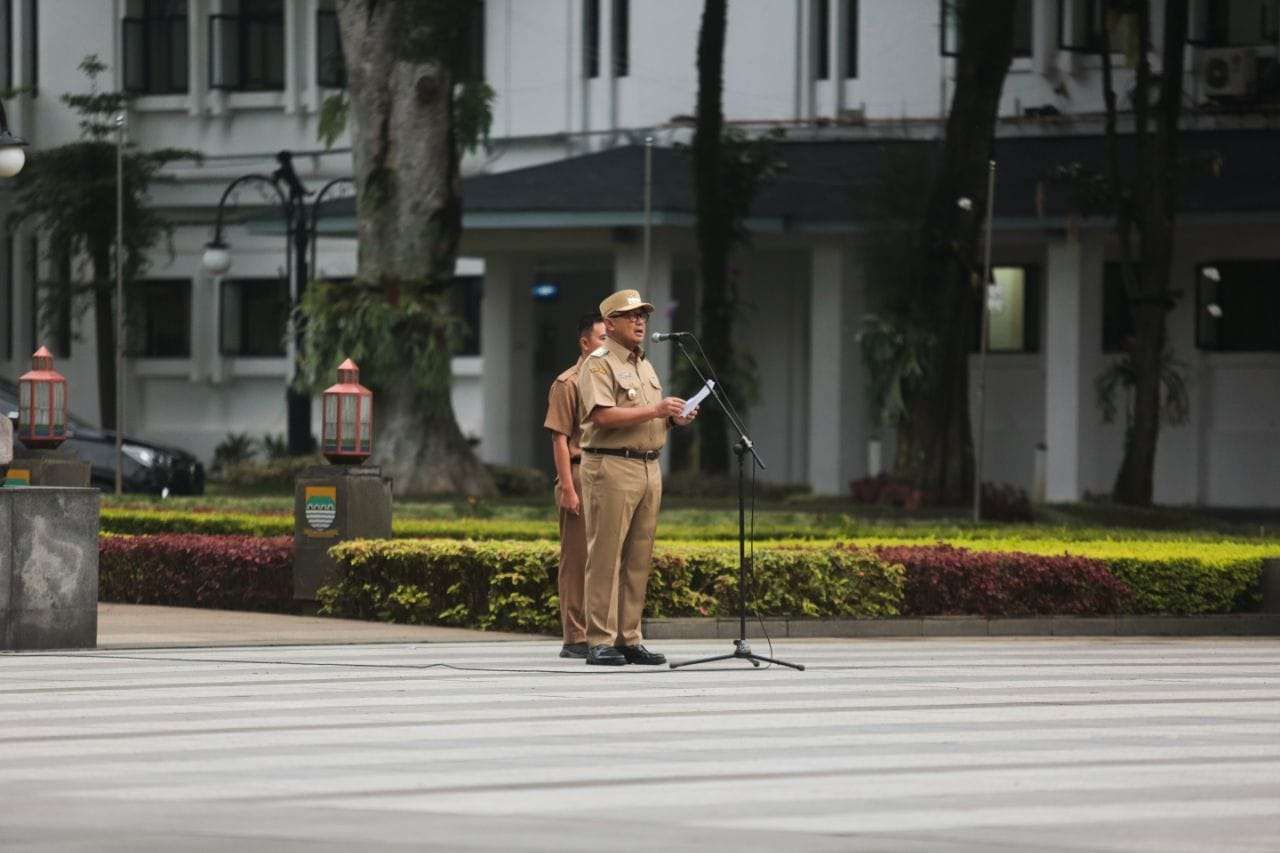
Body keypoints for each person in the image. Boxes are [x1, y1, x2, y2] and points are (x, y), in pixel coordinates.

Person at [576, 289, 698, 666]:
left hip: (648, 465)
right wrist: (655, 410)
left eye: (643, 315)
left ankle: (629, 637)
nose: (640, 321)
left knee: (639, 557)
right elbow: (602, 416)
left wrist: (673, 418)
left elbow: (647, 414)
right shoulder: (598, 363)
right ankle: (600, 639)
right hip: (611, 466)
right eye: (631, 316)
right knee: (606, 554)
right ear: (609, 324)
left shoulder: (644, 363)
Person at [542, 312, 607, 659]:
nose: (606, 345)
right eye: (601, 338)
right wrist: (568, 488)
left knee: (607, 558)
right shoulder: (568, 383)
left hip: (610, 474)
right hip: (579, 473)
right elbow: (559, 439)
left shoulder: (610, 379)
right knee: (577, 558)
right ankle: (575, 637)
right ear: (585, 343)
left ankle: (603, 632)